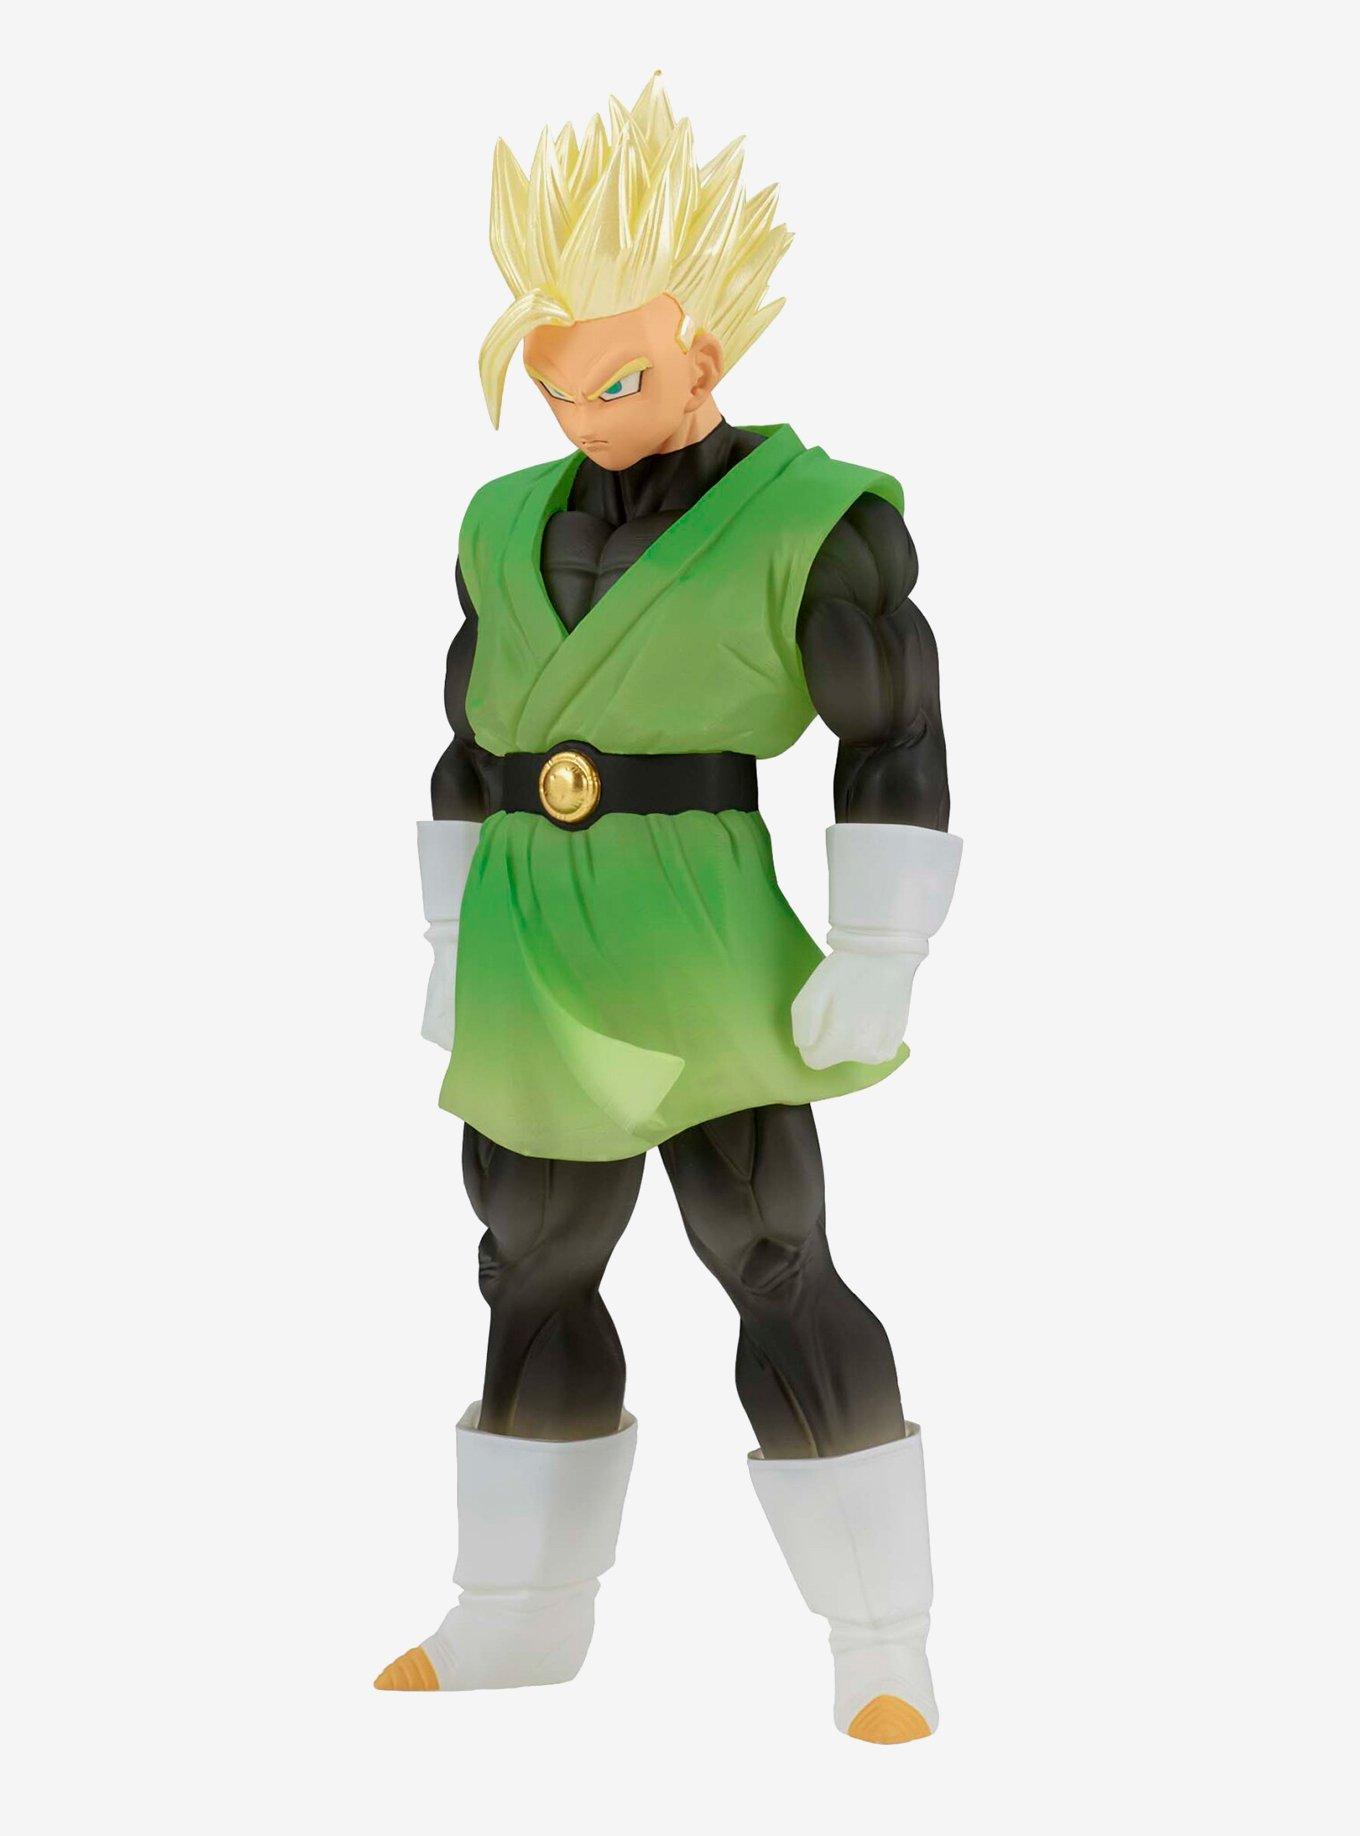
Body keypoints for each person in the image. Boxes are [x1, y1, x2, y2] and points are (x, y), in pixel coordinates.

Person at [375, 76, 963, 1744]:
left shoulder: (815, 519)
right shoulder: (503, 522)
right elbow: (469, 742)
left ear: (706, 350)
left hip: (699, 926)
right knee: (529, 1259)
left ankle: (882, 1638)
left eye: (617, 381)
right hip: (533, 929)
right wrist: (447, 941)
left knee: (769, 1252)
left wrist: (881, 944)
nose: (582, 416)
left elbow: (892, 728)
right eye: (556, 385)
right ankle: (518, 1614)